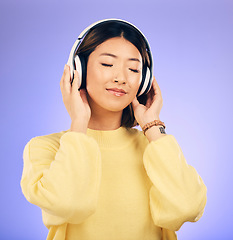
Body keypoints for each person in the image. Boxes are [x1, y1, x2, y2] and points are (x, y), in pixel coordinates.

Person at [20, 19, 207, 240]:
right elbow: (69, 204)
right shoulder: (45, 148)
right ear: (78, 70)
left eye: (133, 69)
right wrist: (79, 122)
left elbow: (187, 208)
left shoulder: (156, 146)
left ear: (144, 80)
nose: (120, 78)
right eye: (108, 65)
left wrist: (153, 126)